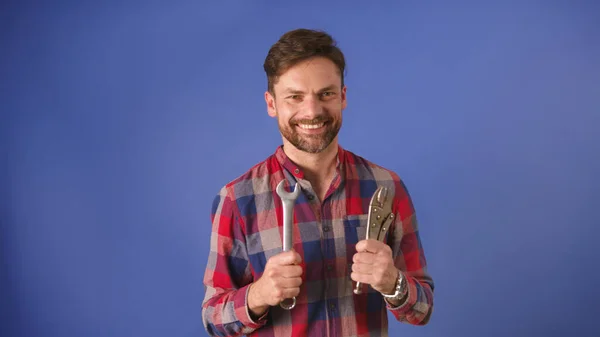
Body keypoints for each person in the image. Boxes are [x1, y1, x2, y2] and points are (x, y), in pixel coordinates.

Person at [201, 28, 434, 337]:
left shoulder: (387, 187)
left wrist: (393, 282)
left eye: (325, 94)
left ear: (343, 97)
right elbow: (213, 320)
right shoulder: (237, 200)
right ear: (272, 104)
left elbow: (423, 310)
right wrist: (256, 296)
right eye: (295, 97)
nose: (311, 111)